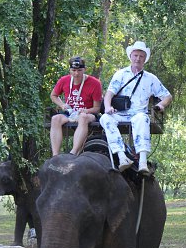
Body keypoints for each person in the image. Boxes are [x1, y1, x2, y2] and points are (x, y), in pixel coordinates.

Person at [100, 41, 172, 173]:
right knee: (105, 118)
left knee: (142, 118)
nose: (138, 58)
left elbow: (167, 96)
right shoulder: (121, 74)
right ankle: (122, 157)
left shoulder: (151, 78)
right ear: (131, 56)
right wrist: (108, 107)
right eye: (135, 55)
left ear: (145, 59)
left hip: (138, 114)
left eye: (141, 56)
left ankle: (142, 162)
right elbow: (109, 93)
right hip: (120, 113)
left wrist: (161, 105)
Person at [49, 56, 103, 156]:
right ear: (69, 70)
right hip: (70, 113)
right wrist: (62, 105)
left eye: (79, 70)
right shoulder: (64, 80)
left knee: (83, 117)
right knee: (55, 119)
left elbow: (97, 109)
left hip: (87, 114)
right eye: (73, 70)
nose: (76, 73)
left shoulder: (95, 83)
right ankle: (55, 155)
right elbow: (53, 95)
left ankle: (73, 153)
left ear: (85, 69)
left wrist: (86, 111)